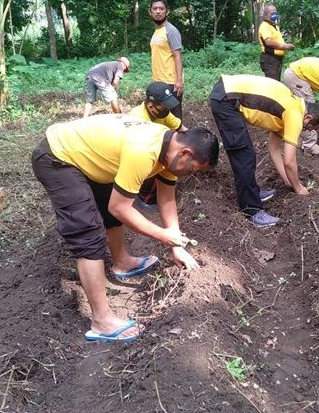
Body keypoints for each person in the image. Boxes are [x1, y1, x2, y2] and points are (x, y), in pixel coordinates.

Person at [32, 116, 219, 343]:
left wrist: (177, 245)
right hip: (58, 157)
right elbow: (120, 208)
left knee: (108, 207)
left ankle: (121, 262)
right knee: (88, 233)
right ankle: (101, 321)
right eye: (193, 169)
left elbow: (167, 198)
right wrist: (163, 236)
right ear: (185, 154)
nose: (191, 174)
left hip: (88, 156)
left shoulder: (169, 149)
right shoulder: (143, 151)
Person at [209, 74, 319, 227]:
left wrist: (286, 179)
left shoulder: (292, 106)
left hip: (227, 92)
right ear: (308, 117)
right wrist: (298, 188)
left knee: (247, 154)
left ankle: (253, 194)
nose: (304, 131)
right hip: (227, 99)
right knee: (244, 155)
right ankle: (252, 211)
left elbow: (274, 149)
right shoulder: (295, 114)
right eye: (308, 128)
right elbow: (289, 161)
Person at [130, 82, 189, 212]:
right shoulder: (137, 119)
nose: (167, 111)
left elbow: (181, 129)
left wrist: (193, 143)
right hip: (136, 153)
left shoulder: (163, 113)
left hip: (149, 148)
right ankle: (145, 197)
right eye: (164, 107)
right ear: (151, 105)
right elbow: (140, 152)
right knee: (163, 162)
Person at [149, 0, 184, 119]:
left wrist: (179, 80)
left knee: (175, 119)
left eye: (161, 8)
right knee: (160, 117)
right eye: (155, 8)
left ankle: (180, 138)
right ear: (150, 12)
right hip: (158, 82)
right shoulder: (156, 31)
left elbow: (177, 56)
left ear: (167, 11)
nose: (158, 11)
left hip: (171, 83)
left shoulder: (171, 31)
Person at [258, 3, 294, 81]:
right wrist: (285, 46)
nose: (274, 15)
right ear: (265, 15)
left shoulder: (273, 26)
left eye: (275, 13)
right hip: (269, 59)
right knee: (273, 84)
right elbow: (269, 42)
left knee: (275, 82)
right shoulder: (264, 26)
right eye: (272, 13)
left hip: (276, 60)